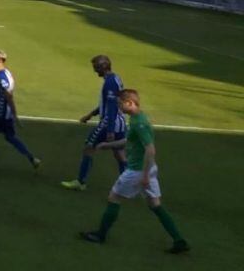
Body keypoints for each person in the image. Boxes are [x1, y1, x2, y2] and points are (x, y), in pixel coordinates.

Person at [79, 89, 189, 254]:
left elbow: (150, 150)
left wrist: (144, 175)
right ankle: (179, 240)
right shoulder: (137, 118)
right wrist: (107, 145)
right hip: (148, 169)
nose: (119, 106)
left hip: (138, 171)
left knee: (114, 197)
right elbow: (129, 140)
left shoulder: (139, 123)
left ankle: (100, 235)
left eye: (120, 103)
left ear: (130, 103)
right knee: (155, 205)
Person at [62, 55, 128, 191]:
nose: (95, 71)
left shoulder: (109, 83)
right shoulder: (115, 79)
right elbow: (110, 103)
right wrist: (90, 115)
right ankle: (128, 184)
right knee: (119, 154)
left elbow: (110, 107)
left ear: (102, 67)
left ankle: (81, 181)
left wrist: (109, 130)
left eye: (96, 68)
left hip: (109, 122)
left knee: (89, 147)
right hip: (120, 122)